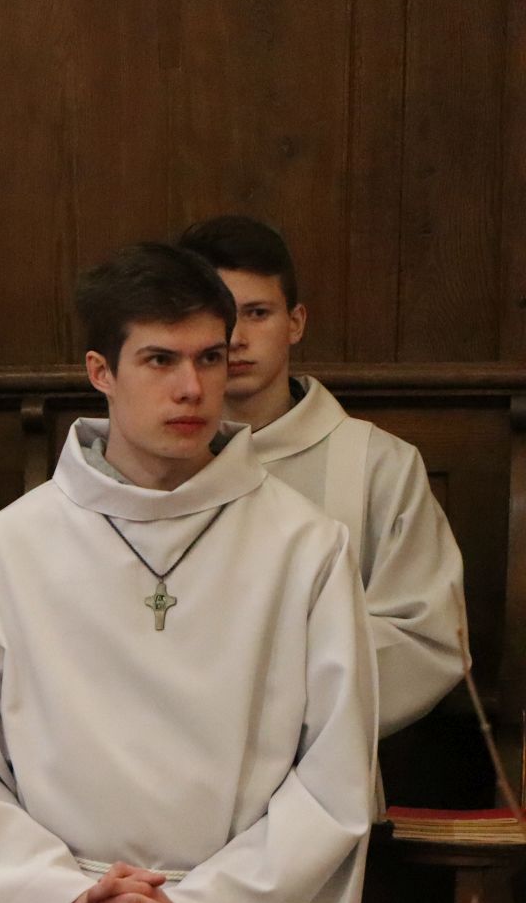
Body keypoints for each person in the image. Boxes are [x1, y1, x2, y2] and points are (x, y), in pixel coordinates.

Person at [0, 243, 375, 903]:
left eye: (210, 359)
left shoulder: (306, 548)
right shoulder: (8, 546)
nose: (191, 388)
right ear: (101, 372)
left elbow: (333, 775)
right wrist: (62, 899)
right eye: (160, 360)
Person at [177, 215, 466, 740]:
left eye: (257, 313)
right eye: (218, 317)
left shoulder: (380, 464)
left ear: (295, 322)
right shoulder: (151, 464)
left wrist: (267, 699)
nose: (236, 338)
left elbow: (428, 639)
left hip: (321, 755)